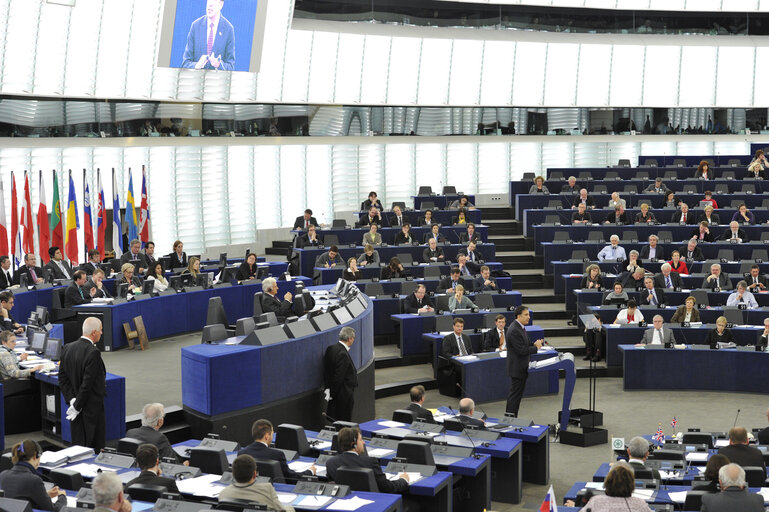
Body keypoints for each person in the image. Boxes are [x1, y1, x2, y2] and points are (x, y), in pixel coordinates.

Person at [58, 317, 106, 452]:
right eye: (101, 330)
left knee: (78, 446)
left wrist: (72, 401)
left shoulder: (67, 347)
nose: (102, 333)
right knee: (93, 448)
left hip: (75, 408)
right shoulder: (93, 352)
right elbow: (87, 384)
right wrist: (78, 405)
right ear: (94, 332)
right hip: (91, 410)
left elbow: (62, 378)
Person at [325, 427, 409, 493]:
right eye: (361, 440)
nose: (364, 442)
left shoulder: (330, 463)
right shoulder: (370, 462)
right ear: (353, 444)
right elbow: (387, 488)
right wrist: (403, 480)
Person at [239, 419, 315, 482]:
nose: (272, 437)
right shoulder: (277, 454)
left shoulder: (242, 454)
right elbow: (291, 478)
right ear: (266, 436)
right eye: (272, 434)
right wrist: (310, 471)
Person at [0, 440, 67, 511]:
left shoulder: (3, 475)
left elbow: (20, 501)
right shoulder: (34, 480)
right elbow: (54, 509)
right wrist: (62, 496)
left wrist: (46, 495)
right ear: (35, 456)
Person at [218, 455, 295, 511]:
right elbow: (281, 510)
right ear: (255, 474)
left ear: (233, 474)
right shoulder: (267, 489)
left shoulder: (223, 494)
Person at [505, 306, 543, 416]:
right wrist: (536, 348)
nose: (528, 317)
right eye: (526, 315)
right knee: (515, 396)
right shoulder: (514, 330)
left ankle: (512, 417)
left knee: (516, 395)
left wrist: (534, 344)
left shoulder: (520, 327)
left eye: (529, 315)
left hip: (521, 367)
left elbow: (524, 344)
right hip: (517, 368)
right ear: (518, 316)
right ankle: (510, 418)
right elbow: (521, 350)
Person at [181, 0, 235, 71]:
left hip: (217, 80)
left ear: (221, 5)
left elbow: (230, 67)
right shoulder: (195, 26)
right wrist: (196, 65)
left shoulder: (228, 29)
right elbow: (185, 63)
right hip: (197, 79)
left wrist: (219, 64)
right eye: (208, 1)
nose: (209, 5)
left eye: (213, 1)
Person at [577, 462, 654, 512]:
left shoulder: (596, 501)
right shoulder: (639, 504)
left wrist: (574, 507)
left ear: (607, 482)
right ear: (631, 484)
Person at [323, 327, 358, 422]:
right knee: (344, 422)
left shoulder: (330, 349)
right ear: (350, 339)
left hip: (334, 392)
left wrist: (328, 389)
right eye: (353, 338)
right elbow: (338, 377)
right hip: (343, 395)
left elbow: (327, 371)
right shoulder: (343, 354)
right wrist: (332, 394)